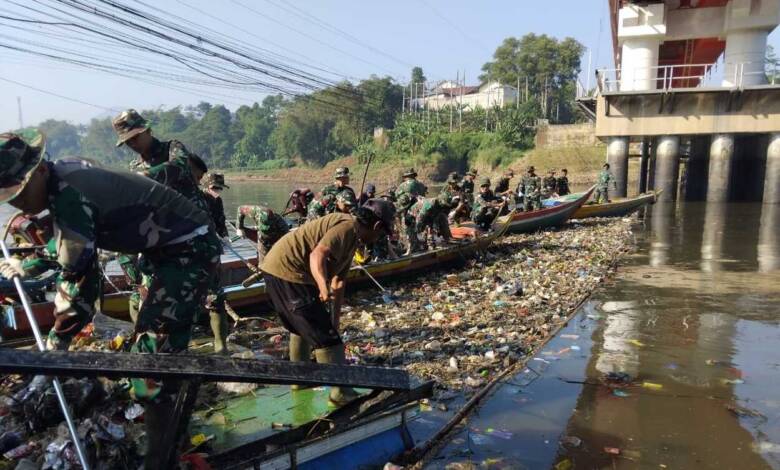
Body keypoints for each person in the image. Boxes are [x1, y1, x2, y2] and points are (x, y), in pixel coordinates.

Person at [0, 130, 220, 468]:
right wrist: (24, 266)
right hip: (160, 252)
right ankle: (170, 432)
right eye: (9, 198)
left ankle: (163, 460)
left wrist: (55, 347)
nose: (19, 203)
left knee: (151, 366)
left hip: (188, 251)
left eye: (20, 192)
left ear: (40, 169)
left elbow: (80, 286)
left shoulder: (70, 191)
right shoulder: (62, 179)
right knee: (147, 354)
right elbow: (68, 248)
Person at [261, 199, 395, 405]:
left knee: (304, 328)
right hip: (288, 272)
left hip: (281, 272)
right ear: (377, 226)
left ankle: (299, 380)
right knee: (326, 339)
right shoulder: (347, 227)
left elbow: (339, 282)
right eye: (381, 234)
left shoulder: (353, 240)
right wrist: (322, 287)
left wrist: (334, 320)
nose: (378, 238)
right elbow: (317, 255)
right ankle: (340, 392)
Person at [395, 168, 427, 254]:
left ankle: (412, 248)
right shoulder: (421, 184)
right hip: (422, 209)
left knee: (408, 228)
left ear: (406, 177)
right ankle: (421, 245)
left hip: (410, 210)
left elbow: (397, 196)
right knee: (419, 228)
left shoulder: (403, 185)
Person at [202, 173, 229, 238]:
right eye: (215, 187)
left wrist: (225, 236)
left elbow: (221, 220)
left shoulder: (218, 200)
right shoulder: (200, 198)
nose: (217, 190)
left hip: (217, 236)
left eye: (220, 188)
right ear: (207, 187)